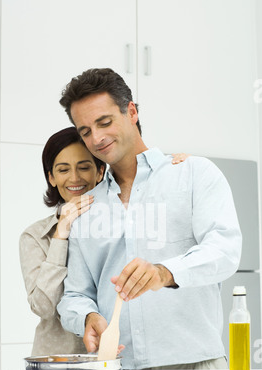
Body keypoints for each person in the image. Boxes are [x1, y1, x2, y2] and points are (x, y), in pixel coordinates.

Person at [57, 68, 242, 370]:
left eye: (105, 122)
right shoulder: (86, 207)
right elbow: (77, 293)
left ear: (131, 112)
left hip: (196, 367)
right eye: (86, 131)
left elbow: (224, 252)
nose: (97, 138)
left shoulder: (194, 174)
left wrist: (164, 272)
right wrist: (87, 317)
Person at [19, 126, 188, 356]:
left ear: (100, 172)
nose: (75, 178)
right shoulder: (35, 236)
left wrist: (174, 168)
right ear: (52, 177)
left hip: (113, 356)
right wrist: (61, 233)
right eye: (63, 169)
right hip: (59, 360)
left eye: (84, 167)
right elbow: (43, 307)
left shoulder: (126, 220)